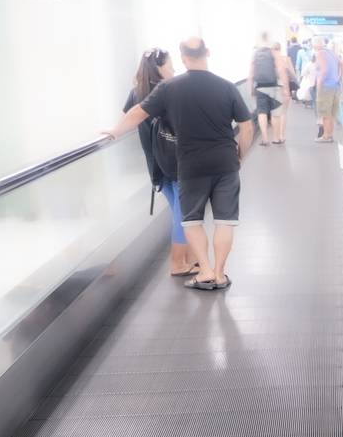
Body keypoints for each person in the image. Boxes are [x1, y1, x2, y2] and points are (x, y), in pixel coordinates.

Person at [105, 36, 253, 291]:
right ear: (208, 52)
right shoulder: (227, 87)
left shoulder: (169, 88)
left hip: (190, 165)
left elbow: (137, 112)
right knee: (225, 220)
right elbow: (246, 126)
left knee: (191, 221)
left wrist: (114, 132)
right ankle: (219, 273)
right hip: (225, 162)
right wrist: (240, 155)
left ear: (183, 57)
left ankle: (204, 270)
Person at [122, 48, 199, 278]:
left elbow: (127, 118)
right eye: (170, 64)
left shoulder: (136, 93)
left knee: (181, 210)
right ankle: (177, 262)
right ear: (159, 67)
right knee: (184, 212)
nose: (174, 69)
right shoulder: (167, 91)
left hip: (155, 164)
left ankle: (190, 258)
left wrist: (114, 133)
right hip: (175, 161)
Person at [248, 32, 280, 147]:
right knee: (275, 112)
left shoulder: (255, 53)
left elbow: (251, 73)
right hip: (273, 85)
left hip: (260, 86)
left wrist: (251, 88)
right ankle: (276, 138)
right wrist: (284, 86)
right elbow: (280, 70)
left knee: (262, 112)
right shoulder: (273, 52)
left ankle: (265, 138)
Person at [314, 36, 343, 142]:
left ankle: (326, 136)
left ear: (317, 44)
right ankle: (330, 135)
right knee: (331, 113)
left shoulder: (320, 53)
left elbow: (324, 70)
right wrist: (339, 77)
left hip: (326, 87)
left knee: (325, 114)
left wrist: (319, 85)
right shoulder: (331, 52)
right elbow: (342, 63)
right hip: (335, 85)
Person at [271, 41, 293, 144]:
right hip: (285, 88)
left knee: (275, 114)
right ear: (280, 48)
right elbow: (292, 74)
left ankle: (275, 137)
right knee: (283, 113)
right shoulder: (286, 59)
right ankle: (282, 136)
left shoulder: (270, 60)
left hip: (273, 89)